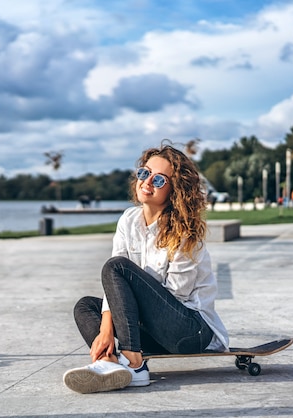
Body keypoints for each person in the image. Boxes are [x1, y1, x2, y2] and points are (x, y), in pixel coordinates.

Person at [63, 142, 229, 394]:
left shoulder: (185, 233)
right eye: (144, 173)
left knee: (116, 268)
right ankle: (110, 363)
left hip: (190, 330)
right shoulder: (128, 220)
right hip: (152, 333)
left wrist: (127, 303)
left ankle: (133, 363)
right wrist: (107, 328)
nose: (147, 182)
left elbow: (178, 296)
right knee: (85, 306)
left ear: (175, 190)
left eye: (159, 180)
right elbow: (114, 288)